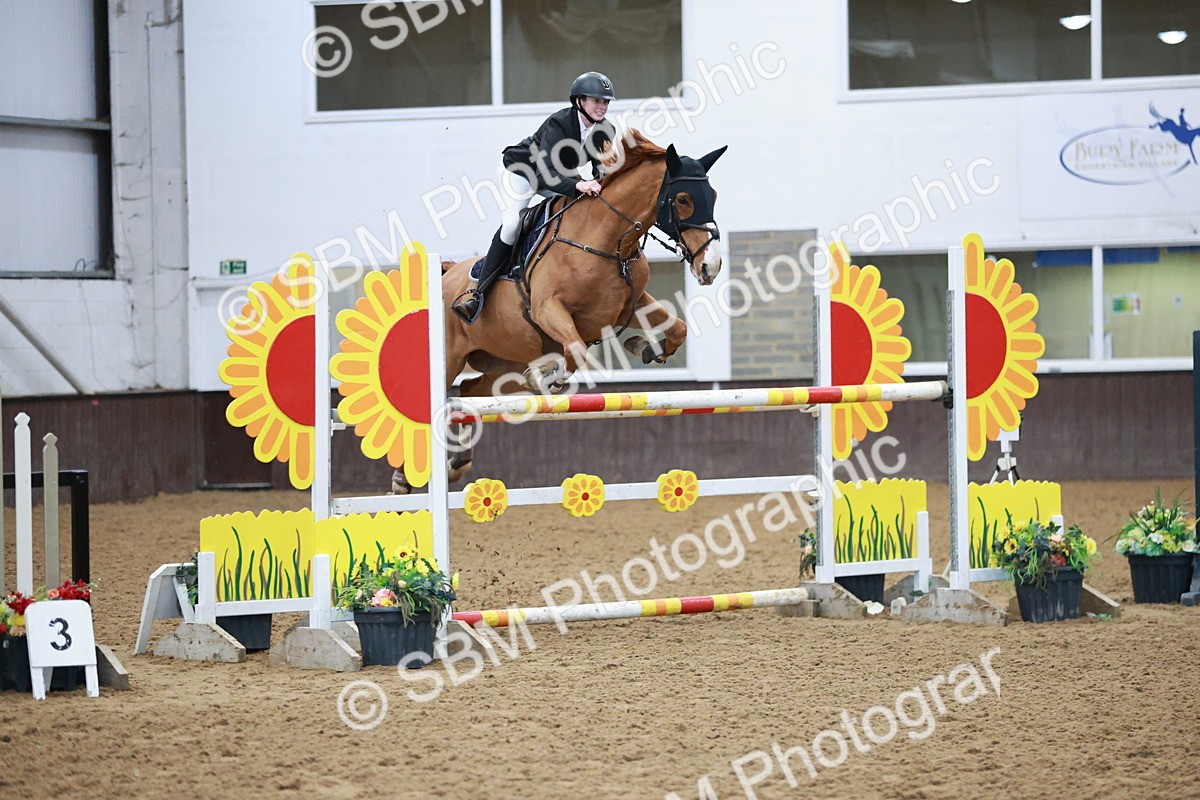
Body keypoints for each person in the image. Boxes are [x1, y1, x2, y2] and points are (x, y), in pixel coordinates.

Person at [451, 71, 619, 323]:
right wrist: (578, 186)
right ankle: (477, 295)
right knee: (512, 226)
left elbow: (602, 169)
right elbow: (545, 172)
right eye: (596, 100)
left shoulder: (605, 130)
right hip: (524, 172)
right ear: (579, 102)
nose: (602, 106)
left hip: (558, 175)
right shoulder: (560, 123)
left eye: (605, 102)